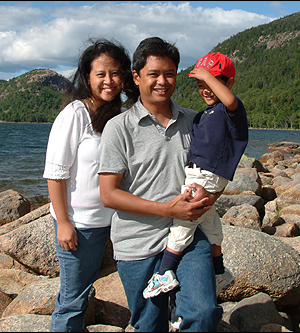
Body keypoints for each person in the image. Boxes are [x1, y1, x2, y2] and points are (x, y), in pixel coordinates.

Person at [99, 37, 223, 331]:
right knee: (149, 324)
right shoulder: (119, 128)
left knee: (203, 313)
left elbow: (215, 171)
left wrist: (212, 196)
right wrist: (168, 209)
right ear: (136, 76)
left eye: (169, 74)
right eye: (154, 74)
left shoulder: (197, 122)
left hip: (189, 237)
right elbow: (109, 194)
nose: (162, 81)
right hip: (137, 243)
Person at [43, 38, 137, 332]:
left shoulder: (118, 117)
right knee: (73, 301)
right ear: (87, 77)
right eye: (101, 74)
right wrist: (63, 223)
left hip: (116, 223)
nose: (109, 81)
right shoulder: (75, 114)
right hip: (82, 226)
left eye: (116, 73)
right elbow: (55, 173)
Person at [143, 52, 249, 299]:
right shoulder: (208, 113)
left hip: (205, 176)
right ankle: (219, 272)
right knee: (209, 221)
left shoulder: (230, 110)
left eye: (213, 83)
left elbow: (231, 102)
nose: (206, 89)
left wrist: (206, 75)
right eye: (201, 85)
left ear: (228, 84)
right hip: (200, 174)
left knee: (183, 221)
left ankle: (165, 272)